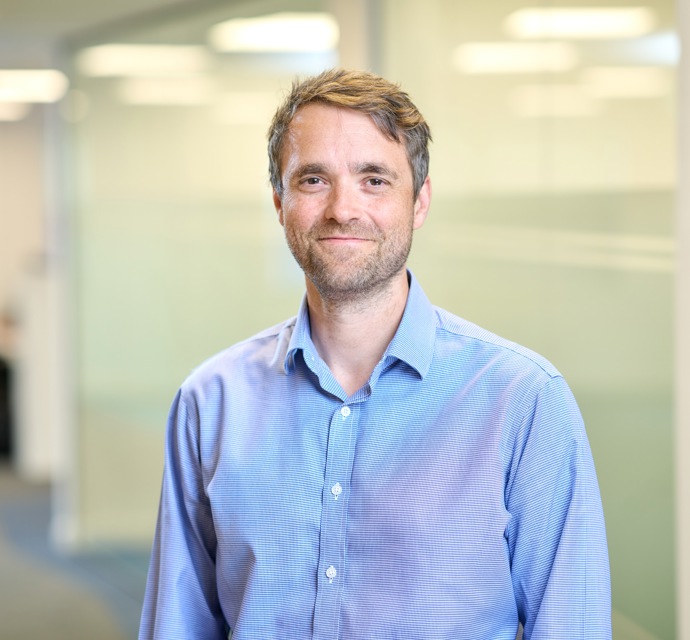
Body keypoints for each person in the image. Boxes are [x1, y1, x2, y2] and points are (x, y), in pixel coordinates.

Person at [139, 68, 611, 640]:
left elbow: (570, 625)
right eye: (313, 179)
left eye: (374, 180)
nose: (342, 208)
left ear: (420, 201)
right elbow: (178, 626)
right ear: (279, 202)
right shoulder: (209, 403)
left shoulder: (523, 400)